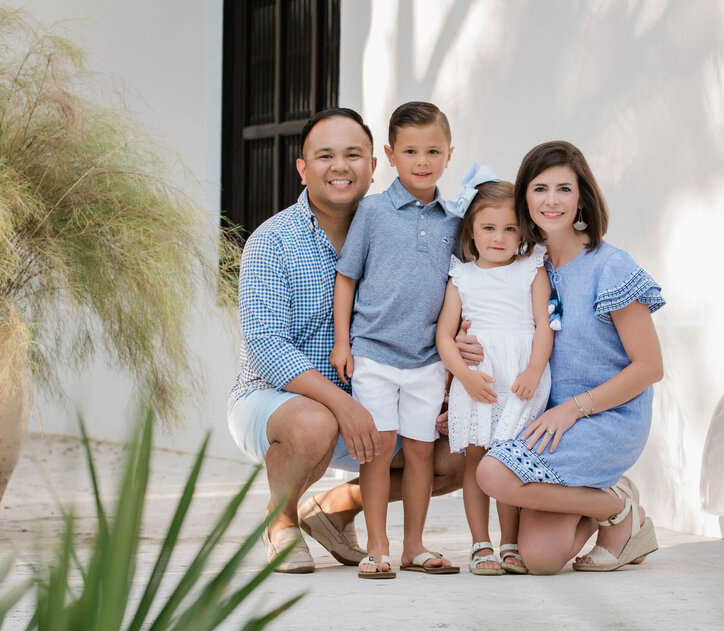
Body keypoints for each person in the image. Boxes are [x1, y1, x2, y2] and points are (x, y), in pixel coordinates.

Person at [227, 107, 463, 574]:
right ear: (302, 169)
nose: (340, 166)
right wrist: (343, 404)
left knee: (463, 449)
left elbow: (443, 306)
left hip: (381, 398)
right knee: (316, 422)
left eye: (353, 154)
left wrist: (456, 372)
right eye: (325, 156)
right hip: (278, 403)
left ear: (375, 164)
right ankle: (283, 524)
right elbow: (266, 346)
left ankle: (335, 508)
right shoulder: (272, 241)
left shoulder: (396, 224)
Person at [476, 141, 665, 575]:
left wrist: (573, 410)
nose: (551, 201)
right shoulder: (521, 266)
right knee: (540, 559)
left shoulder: (610, 266)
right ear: (524, 196)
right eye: (540, 188)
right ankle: (609, 503)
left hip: (605, 418)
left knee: (494, 475)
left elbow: (649, 367)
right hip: (543, 417)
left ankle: (616, 510)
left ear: (582, 197)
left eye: (564, 188)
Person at [331, 101, 460, 579]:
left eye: (432, 150)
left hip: (428, 358)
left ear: (449, 154)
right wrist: (343, 343)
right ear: (390, 155)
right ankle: (377, 546)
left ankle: (415, 545)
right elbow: (347, 278)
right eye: (410, 151)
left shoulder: (456, 219)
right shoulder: (372, 211)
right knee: (380, 447)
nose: (422, 161)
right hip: (374, 352)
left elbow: (462, 287)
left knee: (422, 449)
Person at [435, 173, 553, 576]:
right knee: (476, 459)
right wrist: (463, 379)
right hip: (478, 378)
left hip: (520, 375)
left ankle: (510, 543)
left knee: (508, 460)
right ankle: (480, 544)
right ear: (471, 229)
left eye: (509, 229)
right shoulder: (462, 276)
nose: (499, 237)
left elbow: (543, 326)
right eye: (488, 228)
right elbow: (444, 337)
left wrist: (535, 369)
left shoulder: (531, 270)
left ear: (521, 232)